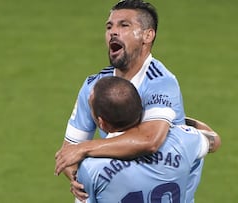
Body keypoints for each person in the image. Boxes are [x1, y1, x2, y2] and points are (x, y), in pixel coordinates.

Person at [54, 0, 218, 202]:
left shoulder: (161, 82)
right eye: (109, 26)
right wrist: (78, 179)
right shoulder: (94, 86)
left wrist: (85, 152)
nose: (113, 32)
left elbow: (149, 140)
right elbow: (69, 152)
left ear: (147, 35)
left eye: (124, 25)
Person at [77, 76, 221, 203]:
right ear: (141, 109)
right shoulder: (182, 140)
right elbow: (214, 140)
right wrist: (171, 122)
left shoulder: (91, 169)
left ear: (102, 123)